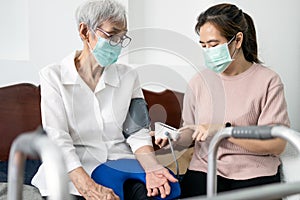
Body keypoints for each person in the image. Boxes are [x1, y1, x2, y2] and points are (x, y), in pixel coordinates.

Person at [31, 0, 177, 199]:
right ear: (84, 32)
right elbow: (58, 139)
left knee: (162, 191)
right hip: (74, 170)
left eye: (122, 36)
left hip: (120, 162)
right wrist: (87, 187)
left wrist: (152, 168)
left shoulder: (129, 76)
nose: (117, 43)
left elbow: (137, 132)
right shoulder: (52, 76)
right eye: (111, 34)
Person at [154, 3, 290, 198]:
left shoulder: (268, 81)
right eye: (203, 46)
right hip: (205, 169)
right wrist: (173, 138)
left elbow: (277, 145)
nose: (208, 51)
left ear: (237, 40)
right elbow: (192, 132)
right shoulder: (199, 82)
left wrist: (224, 132)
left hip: (254, 172)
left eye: (214, 44)